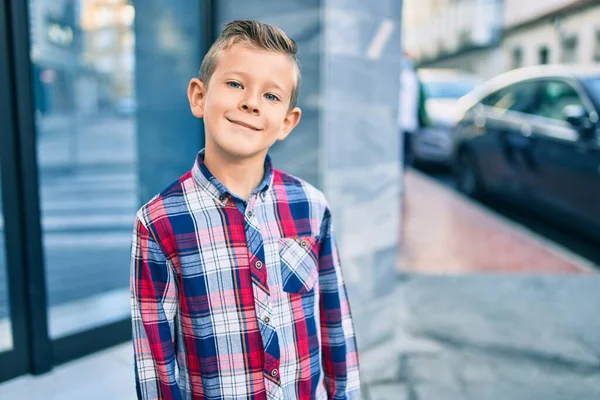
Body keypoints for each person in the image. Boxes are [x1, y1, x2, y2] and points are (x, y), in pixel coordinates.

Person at [130, 20, 360, 399]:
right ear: (199, 97)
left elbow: (336, 321)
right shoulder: (158, 223)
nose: (251, 102)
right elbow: (154, 360)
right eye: (235, 84)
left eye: (271, 96)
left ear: (287, 122)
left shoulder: (311, 207)